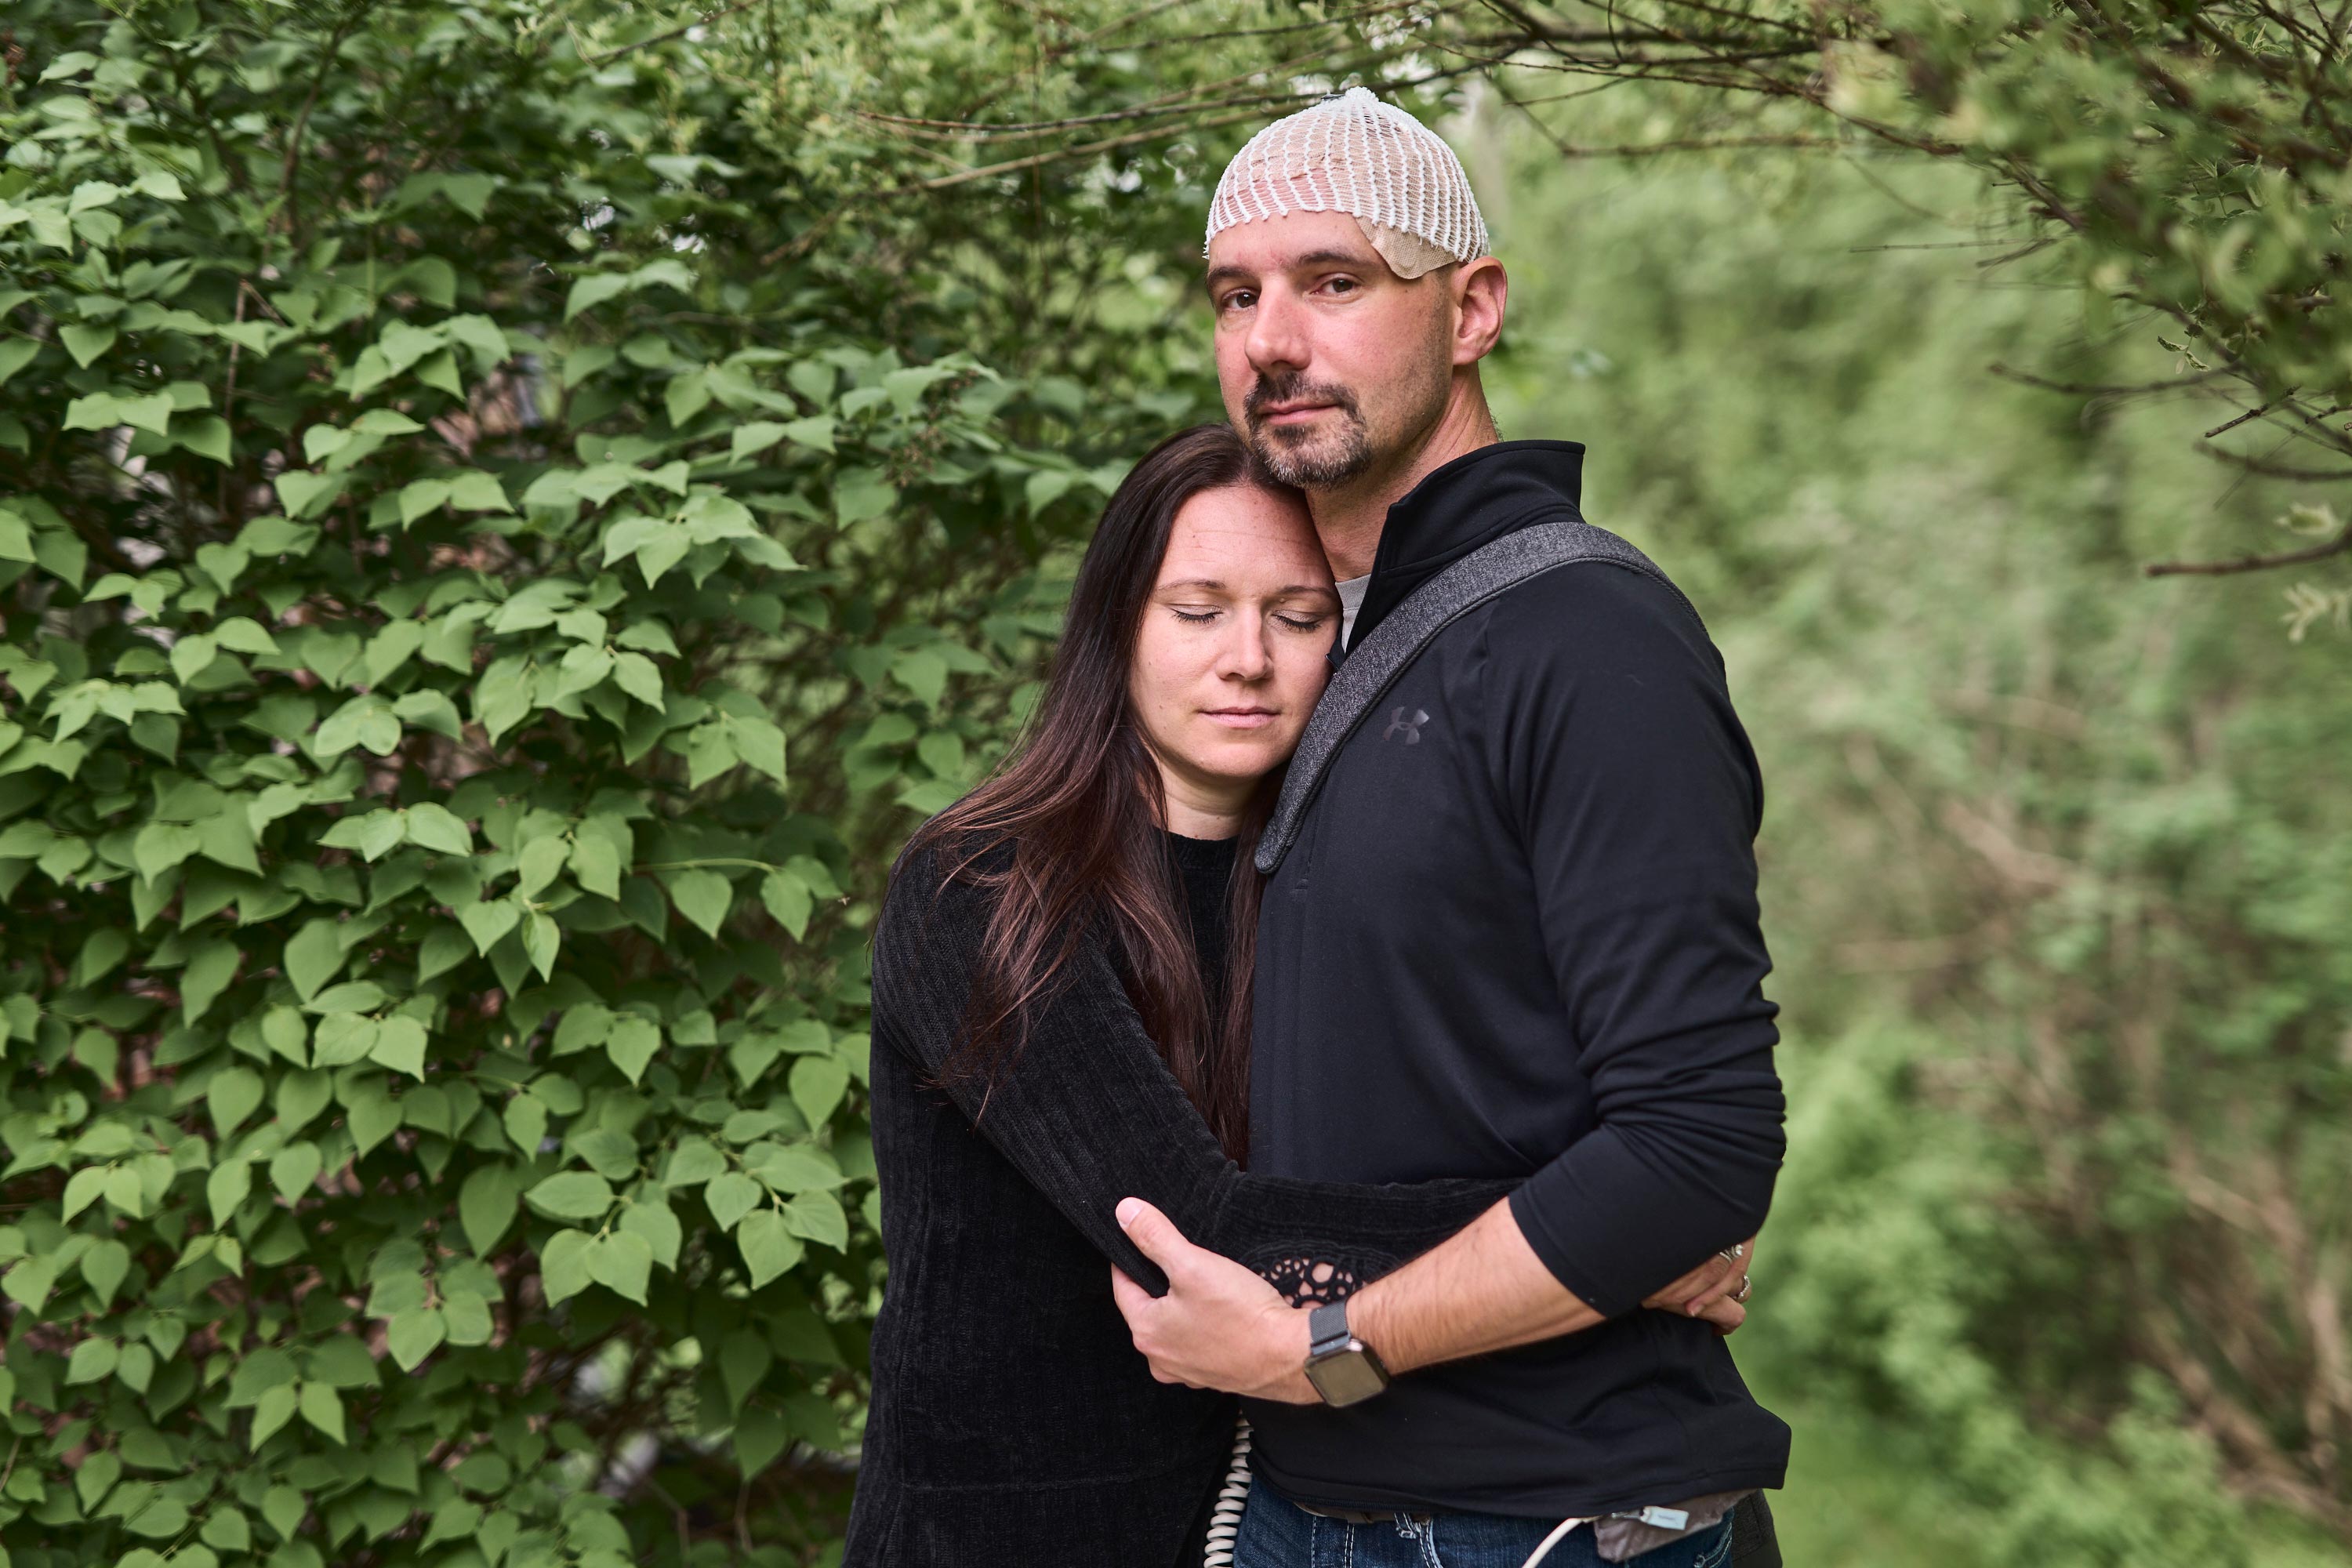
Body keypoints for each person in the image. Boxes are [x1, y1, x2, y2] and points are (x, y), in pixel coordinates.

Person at [842, 424, 1751, 1567]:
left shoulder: (1322, 888)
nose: (1248, 658)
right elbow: (1206, 1236)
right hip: (1002, 1533)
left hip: (1268, 1527)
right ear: (1114, 627)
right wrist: (1613, 1244)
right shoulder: (981, 890)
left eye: (1299, 616)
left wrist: (1627, 1208)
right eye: (1197, 609)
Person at [1108, 89, 1792, 1568]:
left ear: (1472, 306)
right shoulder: (1327, 655)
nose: (1272, 339)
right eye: (1239, 295)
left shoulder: (1583, 637)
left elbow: (1699, 1145)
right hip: (1328, 1506)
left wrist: (1326, 1343)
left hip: (1540, 1516)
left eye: (1336, 282)